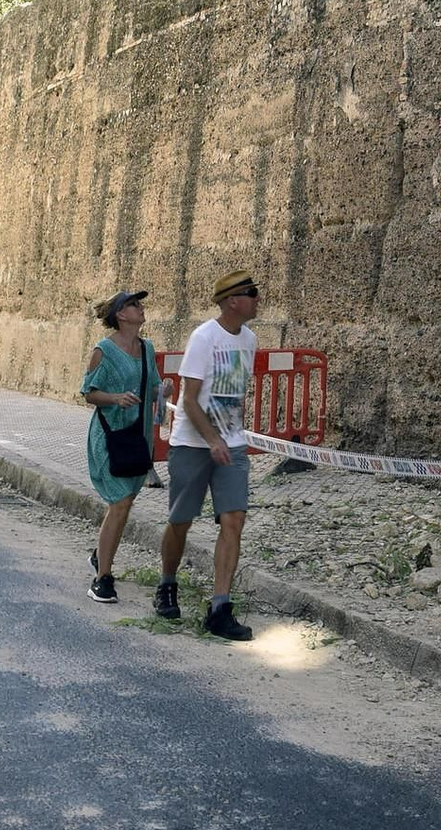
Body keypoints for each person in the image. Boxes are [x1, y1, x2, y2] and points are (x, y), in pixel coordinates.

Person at [156, 270, 260, 640]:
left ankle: (219, 607)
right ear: (233, 300)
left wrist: (230, 435)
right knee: (181, 520)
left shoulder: (249, 339)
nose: (257, 298)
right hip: (192, 443)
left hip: (231, 445)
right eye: (251, 293)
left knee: (233, 521)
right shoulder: (204, 338)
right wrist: (212, 439)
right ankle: (167, 583)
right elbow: (188, 399)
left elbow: (236, 391)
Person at [81, 289, 162, 603]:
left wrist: (163, 389)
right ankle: (102, 578)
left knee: (124, 504)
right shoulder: (103, 350)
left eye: (140, 303)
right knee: (121, 503)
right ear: (120, 316)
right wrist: (115, 398)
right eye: (133, 304)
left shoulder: (147, 347)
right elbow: (88, 392)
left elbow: (153, 387)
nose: (141, 308)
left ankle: (101, 551)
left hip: (138, 439)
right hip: (110, 437)